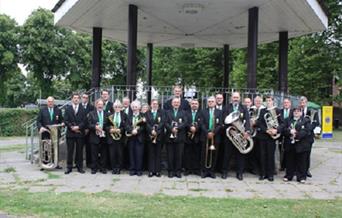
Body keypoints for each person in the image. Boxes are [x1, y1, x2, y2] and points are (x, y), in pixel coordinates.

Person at [222, 92, 251, 180]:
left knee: (240, 155)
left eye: (237, 97)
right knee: (227, 154)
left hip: (240, 134)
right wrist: (230, 128)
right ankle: (224, 172)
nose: (235, 99)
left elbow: (247, 120)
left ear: (240, 98)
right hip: (230, 134)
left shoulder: (244, 107)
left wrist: (247, 131)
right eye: (234, 97)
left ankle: (240, 173)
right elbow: (224, 119)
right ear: (231, 98)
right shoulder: (227, 107)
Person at [256, 95, 283, 181]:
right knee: (262, 155)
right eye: (267, 100)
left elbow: (282, 123)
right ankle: (263, 174)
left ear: (273, 101)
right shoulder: (262, 111)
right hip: (263, 136)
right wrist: (266, 130)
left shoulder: (278, 111)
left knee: (270, 156)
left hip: (272, 137)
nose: (268, 102)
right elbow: (259, 123)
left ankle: (270, 174)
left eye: (270, 100)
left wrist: (276, 130)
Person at [282, 107, 311, 183]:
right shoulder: (288, 120)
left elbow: (307, 131)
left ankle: (301, 177)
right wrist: (289, 131)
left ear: (301, 113)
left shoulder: (306, 120)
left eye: (298, 111)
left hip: (301, 144)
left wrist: (297, 134)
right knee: (289, 161)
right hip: (290, 144)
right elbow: (283, 130)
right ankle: (288, 176)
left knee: (301, 162)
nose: (296, 112)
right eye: (294, 111)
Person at [37, 96, 63, 169]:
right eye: (49, 101)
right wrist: (41, 127)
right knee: (45, 148)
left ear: (53, 102)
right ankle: (44, 164)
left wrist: (63, 123)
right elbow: (38, 121)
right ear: (47, 102)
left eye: (52, 101)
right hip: (46, 132)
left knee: (55, 149)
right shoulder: (42, 110)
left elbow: (61, 120)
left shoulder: (58, 110)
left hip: (55, 133)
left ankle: (56, 164)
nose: (50, 103)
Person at [165, 97, 188, 178]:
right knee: (170, 155)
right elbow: (165, 122)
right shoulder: (167, 112)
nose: (176, 104)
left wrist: (177, 128)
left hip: (180, 137)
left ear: (180, 103)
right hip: (169, 137)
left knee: (179, 155)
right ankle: (170, 171)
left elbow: (185, 122)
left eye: (177, 102)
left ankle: (178, 171)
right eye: (174, 102)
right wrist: (171, 129)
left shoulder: (184, 112)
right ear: (172, 103)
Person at [199, 97, 222, 179]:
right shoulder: (203, 111)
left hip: (215, 136)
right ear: (207, 103)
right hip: (205, 135)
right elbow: (201, 124)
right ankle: (204, 171)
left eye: (212, 101)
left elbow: (220, 124)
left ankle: (212, 171)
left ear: (215, 102)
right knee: (204, 154)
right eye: (209, 101)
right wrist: (207, 132)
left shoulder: (219, 112)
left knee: (214, 154)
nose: (211, 103)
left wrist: (213, 133)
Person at [64, 93, 86, 174]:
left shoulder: (83, 109)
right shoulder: (68, 109)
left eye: (77, 98)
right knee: (70, 151)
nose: (76, 99)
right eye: (74, 98)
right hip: (70, 133)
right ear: (72, 99)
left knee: (79, 151)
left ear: (79, 100)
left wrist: (78, 127)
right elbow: (65, 120)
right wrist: (71, 127)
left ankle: (79, 166)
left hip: (80, 133)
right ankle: (69, 167)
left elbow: (85, 121)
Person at [299, 96, 320, 178]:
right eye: (301, 102)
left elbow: (316, 123)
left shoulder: (312, 111)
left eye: (303, 102)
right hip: (299, 136)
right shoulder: (296, 110)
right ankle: (298, 170)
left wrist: (308, 130)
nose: (302, 104)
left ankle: (306, 170)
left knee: (307, 154)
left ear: (306, 102)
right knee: (299, 153)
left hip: (308, 136)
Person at [106, 100, 127, 174]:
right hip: (111, 138)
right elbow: (106, 125)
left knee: (120, 154)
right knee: (112, 154)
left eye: (119, 107)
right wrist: (110, 129)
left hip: (120, 138)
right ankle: (113, 168)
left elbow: (126, 126)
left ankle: (119, 168)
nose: (117, 108)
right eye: (116, 107)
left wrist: (120, 130)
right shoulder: (109, 115)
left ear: (121, 108)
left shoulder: (124, 115)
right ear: (113, 107)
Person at [87, 99, 109, 174]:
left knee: (104, 154)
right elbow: (88, 124)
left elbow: (109, 125)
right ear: (96, 105)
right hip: (94, 136)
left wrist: (104, 128)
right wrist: (95, 127)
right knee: (94, 153)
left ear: (103, 105)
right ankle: (94, 168)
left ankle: (103, 168)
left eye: (101, 104)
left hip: (104, 136)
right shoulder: (91, 113)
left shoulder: (107, 114)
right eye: (98, 104)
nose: (100, 106)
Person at [126, 100, 146, 176]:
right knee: (131, 154)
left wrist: (137, 131)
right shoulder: (129, 116)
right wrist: (131, 130)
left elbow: (144, 126)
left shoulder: (142, 116)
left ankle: (139, 170)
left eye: (136, 107)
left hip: (139, 138)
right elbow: (126, 125)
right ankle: (132, 169)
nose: (135, 108)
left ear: (139, 107)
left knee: (139, 154)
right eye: (133, 107)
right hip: (131, 138)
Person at [145, 99, 165, 177]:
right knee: (151, 154)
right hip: (150, 137)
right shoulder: (147, 113)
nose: (155, 105)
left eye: (156, 104)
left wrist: (156, 131)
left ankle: (157, 171)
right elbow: (146, 124)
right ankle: (151, 171)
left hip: (159, 136)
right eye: (153, 104)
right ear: (151, 105)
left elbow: (162, 123)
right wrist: (151, 131)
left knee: (158, 154)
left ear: (158, 105)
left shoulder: (162, 113)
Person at [184, 99, 202, 176]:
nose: (194, 105)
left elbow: (202, 123)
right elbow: (185, 122)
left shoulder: (201, 113)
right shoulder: (186, 113)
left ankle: (196, 169)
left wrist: (196, 128)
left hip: (197, 136)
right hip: (188, 136)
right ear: (190, 105)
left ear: (198, 105)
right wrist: (190, 128)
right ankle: (188, 169)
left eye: (196, 104)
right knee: (187, 154)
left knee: (197, 153)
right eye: (193, 103)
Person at [80, 93, 95, 168]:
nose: (85, 99)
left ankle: (89, 163)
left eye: (86, 98)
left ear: (88, 99)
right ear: (81, 98)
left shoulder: (91, 107)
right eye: (83, 97)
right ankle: (79, 163)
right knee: (79, 148)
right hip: (80, 130)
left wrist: (88, 129)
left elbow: (92, 118)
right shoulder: (78, 106)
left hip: (89, 131)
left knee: (89, 148)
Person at [279, 98, 293, 171]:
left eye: (287, 102)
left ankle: (288, 165)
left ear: (290, 104)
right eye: (284, 103)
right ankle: (281, 165)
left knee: (288, 150)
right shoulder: (279, 111)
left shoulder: (293, 112)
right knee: (280, 149)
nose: (286, 104)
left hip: (289, 134)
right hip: (280, 133)